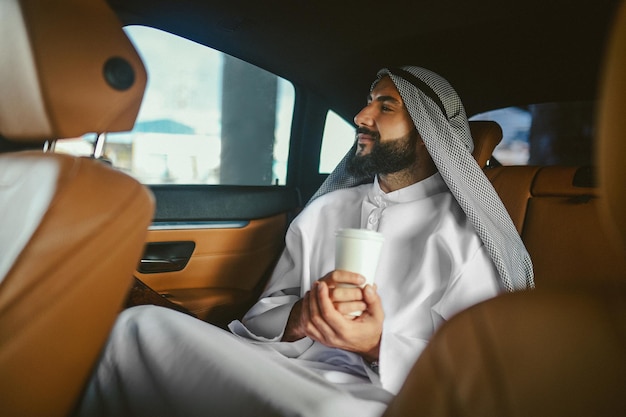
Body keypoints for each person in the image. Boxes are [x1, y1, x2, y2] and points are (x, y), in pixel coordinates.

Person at [78, 66, 534, 417]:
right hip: (287, 365)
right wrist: (297, 319)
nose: (361, 116)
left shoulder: (467, 236)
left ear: (428, 131)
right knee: (137, 328)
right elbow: (264, 313)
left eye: (384, 106)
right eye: (366, 102)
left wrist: (377, 344)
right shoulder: (327, 210)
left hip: (383, 394)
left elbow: (479, 368)